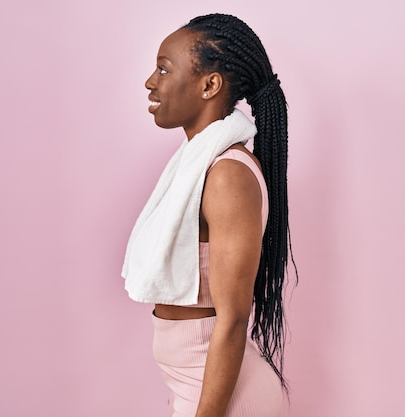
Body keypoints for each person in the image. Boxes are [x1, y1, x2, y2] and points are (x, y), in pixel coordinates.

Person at [121, 13, 296, 417]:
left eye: (164, 68)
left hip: (222, 397)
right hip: (194, 385)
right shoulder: (201, 165)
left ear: (209, 85)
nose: (151, 81)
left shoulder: (227, 175)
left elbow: (233, 320)